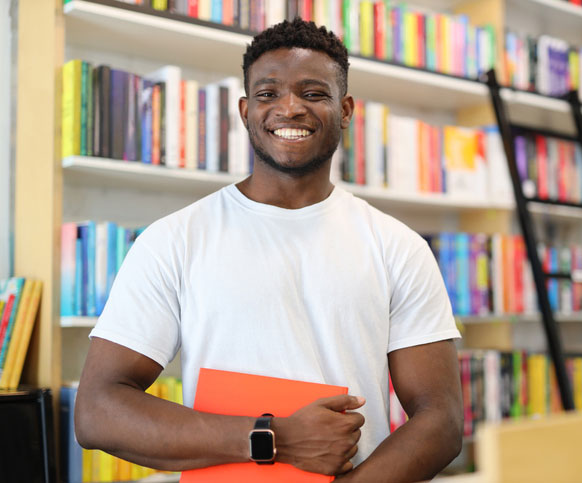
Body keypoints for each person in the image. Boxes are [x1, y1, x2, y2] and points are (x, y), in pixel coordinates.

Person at [75, 18, 463, 482]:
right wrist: (274, 437)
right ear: (244, 110)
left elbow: (441, 421)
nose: (290, 108)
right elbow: (97, 411)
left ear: (345, 109)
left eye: (313, 93)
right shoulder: (174, 240)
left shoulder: (398, 246)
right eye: (268, 93)